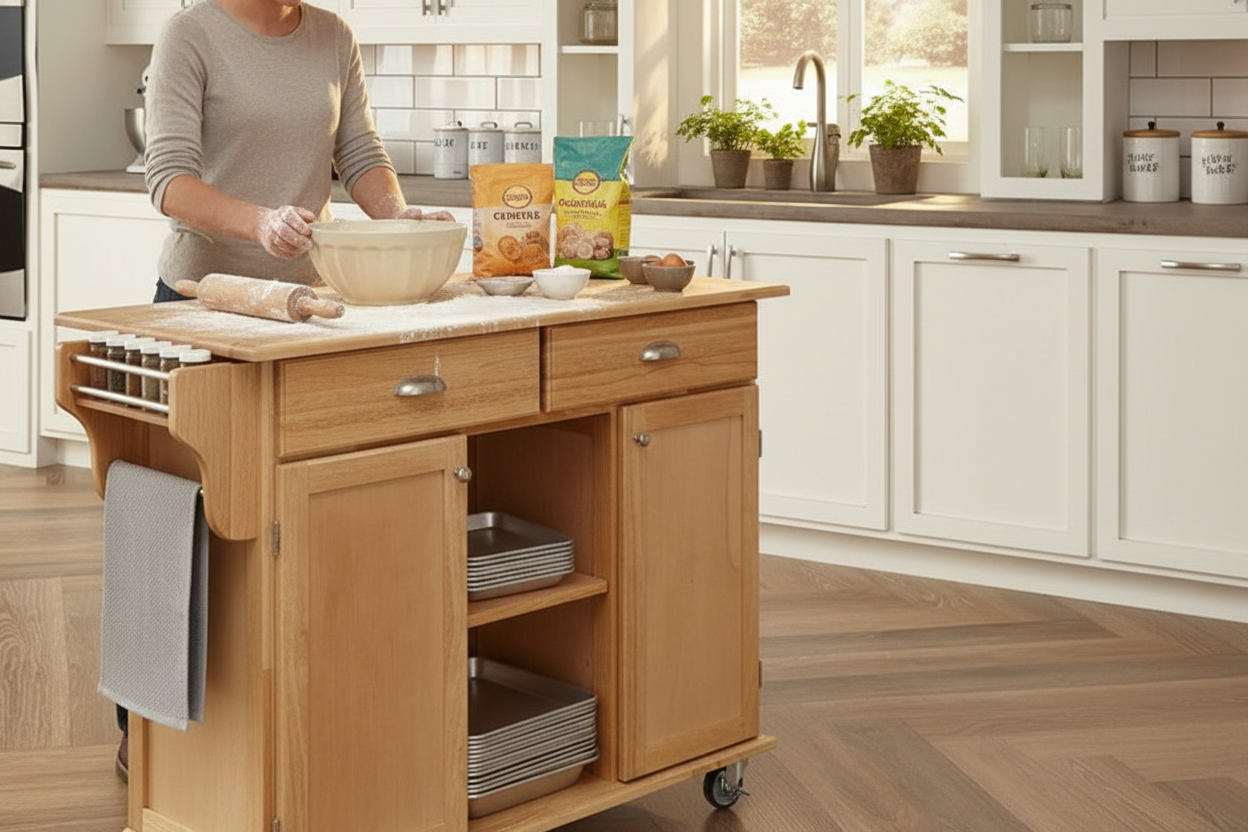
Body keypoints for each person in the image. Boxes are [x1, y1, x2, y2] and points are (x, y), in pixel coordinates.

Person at [113, 0, 455, 783]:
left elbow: (359, 151)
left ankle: (276, 720)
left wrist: (399, 218)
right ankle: (143, 718)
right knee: (180, 516)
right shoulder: (191, 34)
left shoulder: (333, 35)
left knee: (288, 515)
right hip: (206, 300)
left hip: (307, 307)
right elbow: (168, 180)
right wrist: (259, 220)